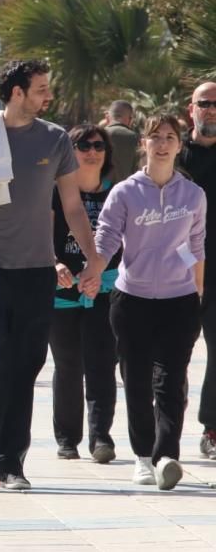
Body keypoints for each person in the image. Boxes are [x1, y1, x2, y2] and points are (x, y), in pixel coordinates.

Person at [0, 60, 103, 491]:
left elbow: (72, 205)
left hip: (37, 268)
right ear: (16, 93)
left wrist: (92, 258)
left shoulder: (54, 139)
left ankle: (10, 462)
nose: (47, 96)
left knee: (25, 364)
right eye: (39, 89)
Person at [88, 114, 205, 490]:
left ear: (179, 143)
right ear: (144, 143)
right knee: (136, 380)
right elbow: (106, 238)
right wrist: (93, 271)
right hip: (131, 299)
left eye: (170, 137)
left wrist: (197, 289)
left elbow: (195, 246)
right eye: (156, 137)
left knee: (171, 383)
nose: (163, 144)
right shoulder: (125, 192)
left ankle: (166, 455)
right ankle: (142, 457)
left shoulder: (193, 195)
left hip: (179, 300)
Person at [49, 125, 120, 464]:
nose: (92, 151)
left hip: (105, 288)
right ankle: (66, 439)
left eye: (98, 145)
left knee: (103, 364)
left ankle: (101, 436)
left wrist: (97, 274)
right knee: (67, 365)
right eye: (83, 145)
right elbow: (39, 234)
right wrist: (55, 264)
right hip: (62, 292)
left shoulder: (118, 193)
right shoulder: (55, 191)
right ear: (70, 150)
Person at [175, 81, 216, 461]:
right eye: (205, 104)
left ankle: (212, 428)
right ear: (192, 109)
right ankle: (164, 431)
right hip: (178, 271)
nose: (211, 110)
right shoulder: (175, 156)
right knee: (172, 354)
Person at [104, 100, 139, 184]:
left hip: (100, 191)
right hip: (126, 191)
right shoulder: (134, 137)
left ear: (107, 117)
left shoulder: (99, 135)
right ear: (130, 119)